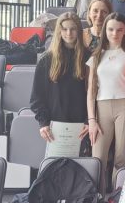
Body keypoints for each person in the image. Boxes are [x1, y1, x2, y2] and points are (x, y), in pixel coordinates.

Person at [87, 13, 125, 194]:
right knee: (98, 157)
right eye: (110, 29)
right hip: (101, 107)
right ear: (105, 30)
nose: (114, 33)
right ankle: (98, 196)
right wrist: (92, 120)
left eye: (119, 30)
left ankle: (117, 196)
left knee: (121, 156)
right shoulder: (97, 56)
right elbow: (91, 91)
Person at [30, 12, 90, 143]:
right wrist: (43, 123)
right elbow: (36, 98)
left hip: (82, 126)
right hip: (54, 126)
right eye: (64, 29)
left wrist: (89, 120)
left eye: (73, 29)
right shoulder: (46, 60)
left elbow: (94, 94)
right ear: (59, 31)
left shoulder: (89, 57)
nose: (69, 33)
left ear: (79, 31)